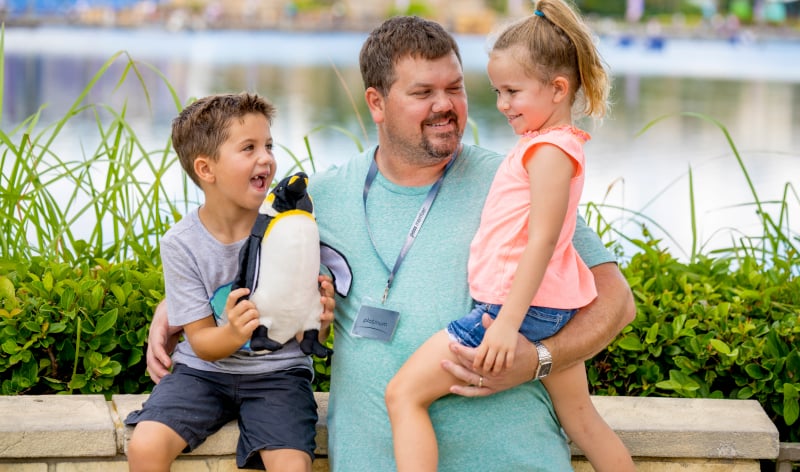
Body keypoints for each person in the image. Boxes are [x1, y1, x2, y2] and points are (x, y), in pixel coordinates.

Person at [145, 16, 636, 471]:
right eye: (423, 92)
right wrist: (176, 305)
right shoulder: (324, 196)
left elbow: (615, 301)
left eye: (455, 88)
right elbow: (240, 249)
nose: (444, 105)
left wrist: (539, 359)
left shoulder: (517, 178)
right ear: (376, 102)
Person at [384, 2, 635, 471]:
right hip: (550, 309)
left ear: (558, 89)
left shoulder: (546, 151)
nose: (502, 105)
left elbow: (541, 240)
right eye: (498, 91)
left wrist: (503, 323)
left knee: (402, 396)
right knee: (581, 417)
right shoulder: (554, 145)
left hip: (514, 311)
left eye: (513, 92)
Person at [125, 92, 335, 472]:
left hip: (280, 374)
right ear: (206, 169)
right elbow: (202, 342)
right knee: (145, 446)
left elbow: (309, 336)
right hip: (202, 374)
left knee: (292, 464)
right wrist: (236, 331)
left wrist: (321, 321)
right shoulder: (181, 243)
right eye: (249, 148)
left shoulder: (292, 227)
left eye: (269, 145)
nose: (267, 158)